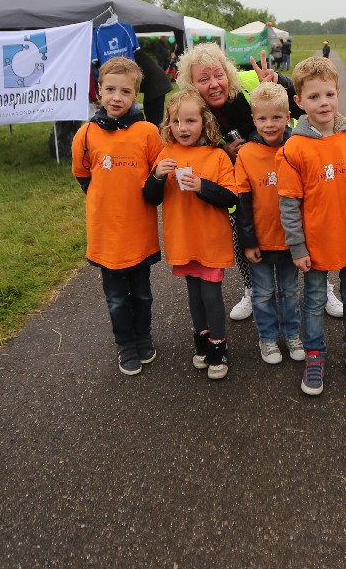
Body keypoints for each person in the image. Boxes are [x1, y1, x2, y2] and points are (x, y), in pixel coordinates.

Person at [175, 43, 323, 321]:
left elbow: (300, 105)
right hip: (241, 179)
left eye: (218, 75)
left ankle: (323, 285)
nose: (214, 84)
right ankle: (251, 289)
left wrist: (280, 81)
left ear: (228, 73)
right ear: (192, 85)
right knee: (243, 232)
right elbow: (192, 144)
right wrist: (223, 152)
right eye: (203, 79)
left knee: (305, 225)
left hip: (283, 165)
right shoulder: (194, 107)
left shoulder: (249, 82)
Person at [276, 56, 346, 396]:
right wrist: (297, 246)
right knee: (312, 301)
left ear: (338, 93)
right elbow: (289, 204)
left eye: (329, 94)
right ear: (299, 101)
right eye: (314, 97)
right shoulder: (294, 148)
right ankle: (314, 355)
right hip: (315, 243)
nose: (323, 102)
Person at [70, 56, 163, 376]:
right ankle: (125, 344)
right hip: (106, 235)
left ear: (135, 94)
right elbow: (82, 174)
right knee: (116, 298)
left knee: (142, 294)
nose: (117, 97)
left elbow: (158, 175)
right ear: (99, 90)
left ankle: (143, 337)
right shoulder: (85, 134)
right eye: (110, 89)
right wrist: (105, 200)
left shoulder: (148, 132)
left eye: (125, 91)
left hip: (139, 232)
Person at [144, 88, 237, 379]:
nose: (182, 128)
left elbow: (231, 197)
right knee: (194, 295)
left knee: (211, 295)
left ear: (204, 121)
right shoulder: (166, 154)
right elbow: (151, 197)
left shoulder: (217, 156)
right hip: (183, 239)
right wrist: (157, 177)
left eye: (190, 121)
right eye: (176, 122)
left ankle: (218, 347)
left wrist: (202, 186)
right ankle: (202, 342)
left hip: (210, 241)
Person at [233, 82, 304, 363]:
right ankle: (268, 338)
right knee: (263, 295)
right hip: (260, 242)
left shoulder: (297, 149)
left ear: (288, 117)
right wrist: (248, 242)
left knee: (290, 292)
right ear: (253, 119)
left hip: (291, 241)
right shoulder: (246, 154)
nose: (269, 124)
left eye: (276, 117)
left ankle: (292, 334)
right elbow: (242, 203)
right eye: (262, 118)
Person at [134, 45, 172, 125]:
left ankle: (157, 132)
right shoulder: (134, 53)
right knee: (152, 117)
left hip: (156, 86)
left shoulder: (132, 55)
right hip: (155, 84)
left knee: (154, 120)